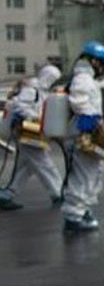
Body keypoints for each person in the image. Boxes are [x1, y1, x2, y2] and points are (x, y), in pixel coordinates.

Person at [61, 40, 104, 233]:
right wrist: (91, 124)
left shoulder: (86, 78)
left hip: (88, 134)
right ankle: (73, 217)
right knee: (82, 177)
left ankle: (83, 210)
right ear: (94, 61)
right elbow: (79, 103)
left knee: (93, 173)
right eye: (103, 63)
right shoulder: (82, 78)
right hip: (81, 135)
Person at [0, 64, 64, 211]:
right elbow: (19, 106)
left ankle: (7, 194)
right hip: (27, 132)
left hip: (30, 132)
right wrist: (36, 117)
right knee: (45, 164)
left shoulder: (39, 91)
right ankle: (58, 193)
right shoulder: (32, 90)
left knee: (26, 167)